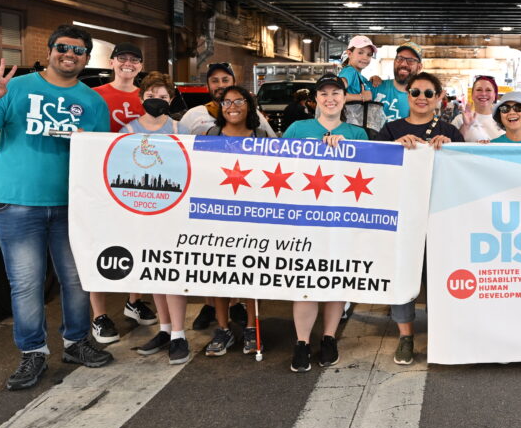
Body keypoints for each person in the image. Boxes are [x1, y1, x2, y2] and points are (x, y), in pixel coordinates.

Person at [0, 25, 113, 390]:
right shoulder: (14, 88)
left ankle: (76, 343)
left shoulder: (92, 102)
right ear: (49, 51)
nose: (69, 54)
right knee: (26, 283)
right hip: (16, 202)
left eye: (78, 51)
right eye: (63, 47)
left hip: (70, 205)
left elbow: (101, 158)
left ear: (86, 58)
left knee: (76, 280)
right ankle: (33, 352)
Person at [283, 74, 369, 372]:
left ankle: (329, 337)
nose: (330, 98)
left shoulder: (357, 134)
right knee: (305, 280)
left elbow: (369, 173)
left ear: (345, 99)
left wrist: (348, 150)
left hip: (342, 217)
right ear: (315, 99)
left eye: (336, 93)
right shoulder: (298, 129)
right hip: (304, 217)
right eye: (324, 94)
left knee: (336, 277)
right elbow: (279, 167)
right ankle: (302, 341)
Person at [378, 72, 463, 364]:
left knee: (441, 274)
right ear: (407, 95)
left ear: (439, 97)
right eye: (416, 92)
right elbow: (377, 169)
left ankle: (443, 332)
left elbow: (466, 169)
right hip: (403, 215)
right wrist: (393, 149)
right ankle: (406, 336)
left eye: (429, 93)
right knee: (403, 272)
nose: (422, 98)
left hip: (441, 215)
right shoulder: (391, 130)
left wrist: (450, 148)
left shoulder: (450, 131)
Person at [119, 73, 191, 365]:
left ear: (171, 99)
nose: (156, 101)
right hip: (143, 210)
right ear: (141, 98)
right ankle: (163, 328)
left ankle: (178, 334)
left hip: (173, 209)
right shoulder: (127, 130)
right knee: (154, 271)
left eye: (163, 97)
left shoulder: (180, 128)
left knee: (172, 272)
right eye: (151, 96)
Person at [89, 42, 158, 344]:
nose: (128, 64)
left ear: (140, 66)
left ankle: (134, 300)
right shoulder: (96, 95)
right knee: (100, 245)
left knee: (140, 240)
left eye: (134, 60)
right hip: (103, 179)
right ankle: (99, 316)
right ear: (112, 61)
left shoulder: (148, 96)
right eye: (123, 59)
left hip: (139, 180)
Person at [202, 85, 273, 357]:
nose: (232, 106)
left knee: (250, 273)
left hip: (251, 215)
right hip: (216, 215)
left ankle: (252, 328)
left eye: (238, 101)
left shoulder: (262, 136)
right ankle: (223, 328)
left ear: (248, 105)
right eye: (226, 102)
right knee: (218, 274)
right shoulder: (210, 135)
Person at [180, 62, 275, 137]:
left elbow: (275, 146)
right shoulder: (192, 116)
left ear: (234, 83)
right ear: (207, 86)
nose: (221, 85)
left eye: (225, 80)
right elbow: (177, 148)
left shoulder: (253, 114)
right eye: (214, 81)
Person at [371, 42, 423, 122]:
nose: (403, 64)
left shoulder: (422, 100)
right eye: (400, 59)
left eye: (411, 60)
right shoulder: (375, 86)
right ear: (394, 61)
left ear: (419, 67)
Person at [453, 75, 504, 142]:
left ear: (495, 95)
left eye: (488, 90)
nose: (483, 93)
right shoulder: (460, 119)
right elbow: (450, 146)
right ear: (472, 95)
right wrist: (465, 126)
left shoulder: (504, 119)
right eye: (479, 90)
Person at [339, 35, 376, 103]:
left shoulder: (360, 77)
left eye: (369, 54)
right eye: (360, 53)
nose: (365, 57)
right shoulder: (349, 71)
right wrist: (361, 97)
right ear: (350, 54)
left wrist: (375, 79)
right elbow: (335, 94)